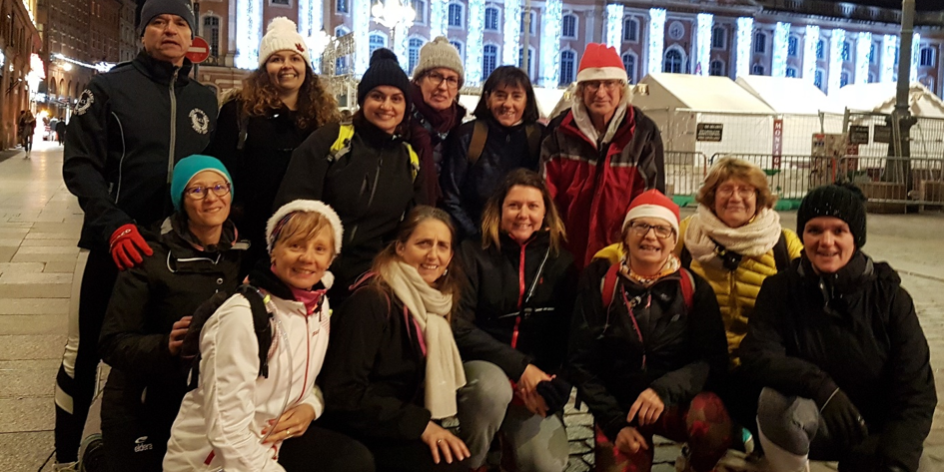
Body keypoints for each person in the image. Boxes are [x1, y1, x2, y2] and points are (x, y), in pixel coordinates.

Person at [55, 0, 218, 468]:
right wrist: (113, 221)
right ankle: (66, 456)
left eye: (180, 23)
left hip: (172, 255)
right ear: (143, 33)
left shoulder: (203, 100)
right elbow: (80, 164)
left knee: (160, 352)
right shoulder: (109, 88)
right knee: (82, 351)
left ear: (191, 39)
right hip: (112, 242)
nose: (170, 30)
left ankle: (143, 448)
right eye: (159, 22)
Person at [595, 157, 803, 438]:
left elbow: (813, 273)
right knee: (710, 424)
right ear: (711, 196)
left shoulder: (782, 243)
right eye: (725, 189)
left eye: (746, 190)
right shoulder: (688, 233)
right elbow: (645, 248)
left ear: (760, 197)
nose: (735, 197)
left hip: (758, 369)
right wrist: (601, 261)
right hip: (700, 364)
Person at [164, 199, 374, 472]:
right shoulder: (242, 316)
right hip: (211, 460)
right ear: (274, 250)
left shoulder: (318, 305)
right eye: (296, 245)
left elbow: (305, 380)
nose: (308, 258)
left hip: (270, 442)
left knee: (354, 460)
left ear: (331, 258)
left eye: (320, 248)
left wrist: (311, 405)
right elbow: (227, 432)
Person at [740, 183, 936, 472]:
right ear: (803, 235)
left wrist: (896, 459)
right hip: (812, 421)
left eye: (838, 230)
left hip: (875, 431)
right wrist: (821, 387)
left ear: (855, 236)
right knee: (774, 404)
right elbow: (757, 354)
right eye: (815, 230)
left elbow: (916, 389)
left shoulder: (889, 297)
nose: (826, 241)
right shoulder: (781, 288)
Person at [97, 155, 245, 471]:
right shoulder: (150, 255)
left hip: (208, 405)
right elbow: (112, 341)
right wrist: (167, 345)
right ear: (180, 199)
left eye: (220, 186)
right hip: (143, 405)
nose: (212, 197)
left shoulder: (243, 255)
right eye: (197, 190)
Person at [567, 190, 731, 472]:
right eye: (640, 226)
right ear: (626, 235)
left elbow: (711, 360)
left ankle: (694, 465)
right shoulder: (600, 284)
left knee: (711, 420)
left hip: (674, 403)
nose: (651, 236)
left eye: (662, 229)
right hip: (621, 407)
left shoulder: (694, 288)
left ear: (673, 239)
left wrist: (662, 391)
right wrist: (615, 423)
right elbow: (580, 362)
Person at [319, 206, 470, 472]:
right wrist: (418, 424)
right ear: (400, 248)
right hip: (360, 426)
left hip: (393, 419)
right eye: (423, 243)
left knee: (455, 457)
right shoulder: (372, 300)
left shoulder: (436, 304)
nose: (433, 255)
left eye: (442, 246)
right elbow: (343, 392)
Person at [276, 48, 426, 305]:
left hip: (372, 280)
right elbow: (293, 205)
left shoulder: (408, 159)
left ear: (406, 106)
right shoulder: (332, 139)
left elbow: (407, 227)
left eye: (396, 99)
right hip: (313, 271)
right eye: (377, 96)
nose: (386, 106)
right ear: (362, 100)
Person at [453, 169, 577, 472]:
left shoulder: (562, 260)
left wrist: (557, 383)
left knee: (545, 466)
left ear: (545, 212)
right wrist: (521, 368)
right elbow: (459, 326)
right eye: (514, 205)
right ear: (499, 209)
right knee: (491, 391)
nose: (524, 214)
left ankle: (509, 445)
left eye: (533, 206)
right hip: (486, 370)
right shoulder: (472, 252)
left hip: (533, 384)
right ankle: (472, 462)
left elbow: (572, 334)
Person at [206, 17, 338, 276]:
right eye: (277, 59)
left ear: (306, 67)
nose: (287, 66)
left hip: (304, 238)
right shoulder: (238, 112)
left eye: (295, 58)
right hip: (249, 238)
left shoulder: (325, 119)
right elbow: (219, 170)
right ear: (265, 67)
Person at [541, 43, 664, 270]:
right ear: (580, 90)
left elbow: (651, 200)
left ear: (621, 88)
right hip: (564, 254)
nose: (600, 92)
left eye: (609, 84)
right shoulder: (559, 131)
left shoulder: (643, 133)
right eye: (592, 85)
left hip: (622, 255)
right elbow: (544, 194)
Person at [441, 66, 545, 239]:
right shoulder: (468, 135)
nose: (508, 104)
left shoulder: (538, 137)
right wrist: (476, 237)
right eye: (500, 95)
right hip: (474, 239)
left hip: (523, 238)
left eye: (516, 96)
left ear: (527, 101)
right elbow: (450, 196)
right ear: (488, 99)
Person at [409, 36, 467, 204]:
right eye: (435, 76)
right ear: (419, 80)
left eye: (451, 80)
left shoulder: (460, 130)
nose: (443, 87)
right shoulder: (399, 122)